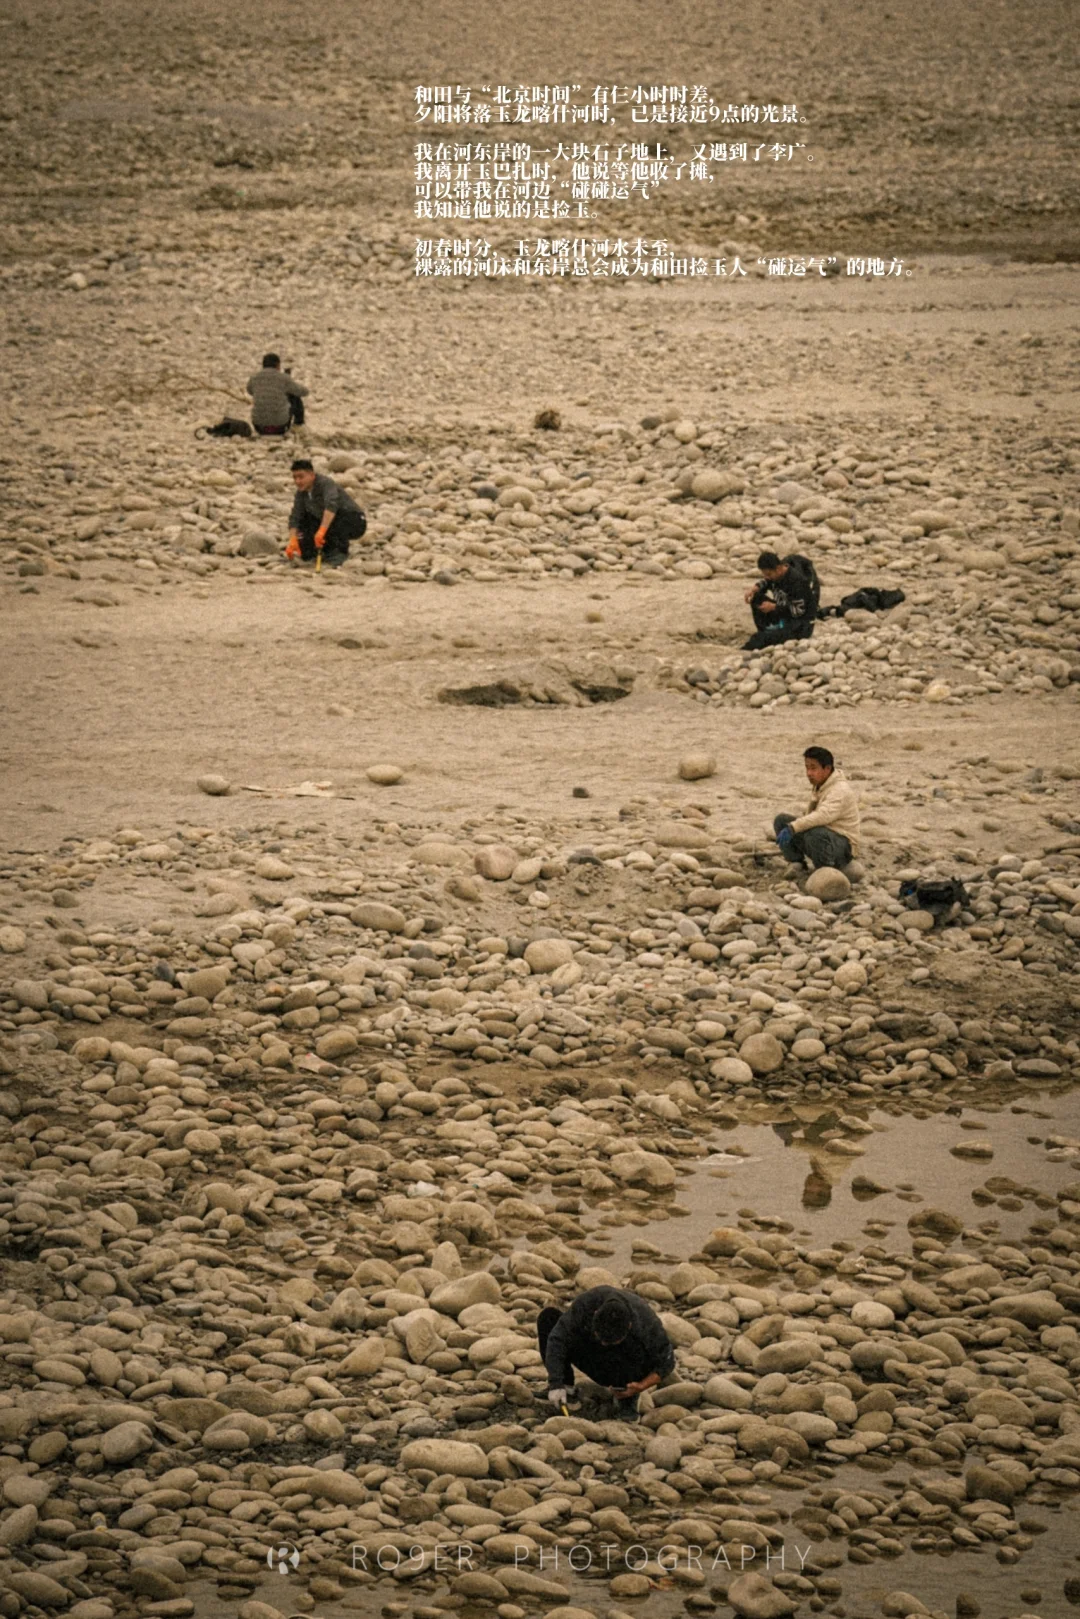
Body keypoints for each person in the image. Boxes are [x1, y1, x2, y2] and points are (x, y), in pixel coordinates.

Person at [538, 1287, 675, 1411]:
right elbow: (558, 1338)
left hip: (622, 1366)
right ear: (595, 1313)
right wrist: (556, 1382)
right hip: (590, 1353)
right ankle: (566, 1388)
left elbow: (667, 1363)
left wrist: (641, 1386)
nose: (604, 1343)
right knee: (549, 1318)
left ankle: (626, 1399)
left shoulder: (647, 1324)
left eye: (610, 1341)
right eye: (601, 1337)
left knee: (638, 1352)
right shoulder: (587, 1302)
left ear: (629, 1326)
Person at [774, 745, 861, 872]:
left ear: (827, 769)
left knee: (813, 833)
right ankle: (797, 862)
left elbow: (823, 816)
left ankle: (825, 870)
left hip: (842, 845)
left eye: (813, 768)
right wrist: (792, 827)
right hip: (825, 836)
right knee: (781, 821)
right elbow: (810, 815)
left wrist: (793, 827)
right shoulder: (821, 785)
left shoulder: (840, 790)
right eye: (807, 768)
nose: (809, 773)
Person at [285, 459, 366, 568]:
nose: (297, 481)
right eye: (295, 478)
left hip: (354, 521)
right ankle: (313, 553)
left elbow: (331, 505)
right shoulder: (301, 493)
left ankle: (339, 554)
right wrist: (293, 540)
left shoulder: (325, 484)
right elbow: (295, 517)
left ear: (312, 475)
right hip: (328, 521)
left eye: (301, 477)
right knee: (304, 521)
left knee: (335, 517)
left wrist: (321, 531)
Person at [743, 551, 821, 650]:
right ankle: (767, 630)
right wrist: (755, 588)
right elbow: (767, 581)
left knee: (759, 639)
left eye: (769, 574)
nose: (767, 577)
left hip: (800, 625)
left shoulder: (797, 582)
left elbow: (798, 611)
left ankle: (768, 635)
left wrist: (774, 607)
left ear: (778, 569)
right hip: (784, 617)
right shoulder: (777, 574)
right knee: (756, 598)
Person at [247, 353, 309, 436]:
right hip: (280, 427)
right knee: (294, 396)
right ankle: (298, 425)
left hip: (259, 427)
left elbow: (250, 391)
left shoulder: (254, 378)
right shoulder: (283, 378)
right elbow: (303, 392)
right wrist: (288, 383)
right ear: (278, 365)